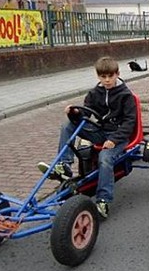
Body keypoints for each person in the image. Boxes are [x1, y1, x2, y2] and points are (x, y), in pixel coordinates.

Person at [37, 56, 137, 219]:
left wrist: (114, 140)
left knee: (105, 158)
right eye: (103, 77)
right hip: (100, 131)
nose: (107, 80)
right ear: (98, 76)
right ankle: (64, 165)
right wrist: (75, 113)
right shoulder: (95, 92)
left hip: (119, 136)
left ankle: (103, 200)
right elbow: (86, 112)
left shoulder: (125, 95)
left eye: (110, 76)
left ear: (117, 74)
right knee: (67, 125)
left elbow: (129, 122)